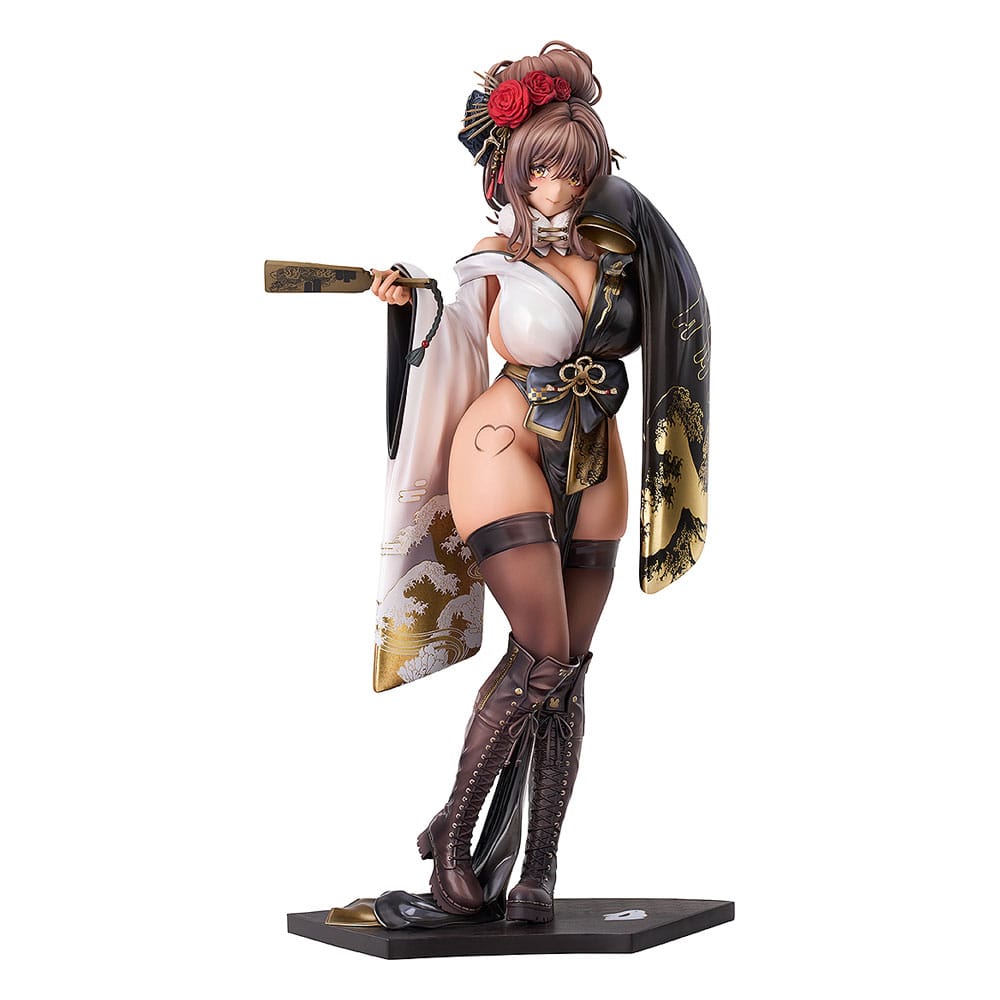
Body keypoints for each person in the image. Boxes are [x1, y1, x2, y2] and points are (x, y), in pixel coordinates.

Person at [369, 41, 710, 924]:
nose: (557, 186)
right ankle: (455, 838)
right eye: (542, 169)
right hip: (505, 440)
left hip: (598, 455)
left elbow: (679, 324)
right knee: (546, 656)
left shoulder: (624, 252)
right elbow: (456, 342)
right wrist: (409, 305)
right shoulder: (496, 256)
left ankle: (537, 870)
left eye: (573, 169)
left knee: (568, 673)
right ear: (513, 171)